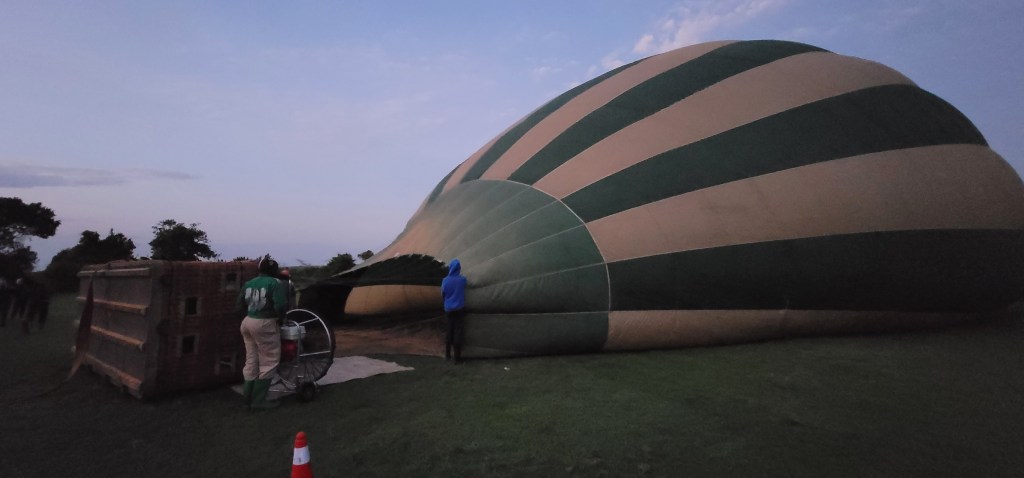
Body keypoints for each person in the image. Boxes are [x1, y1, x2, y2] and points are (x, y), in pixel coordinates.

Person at [236, 255, 288, 409]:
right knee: (269, 360)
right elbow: (280, 305)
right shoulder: (274, 283)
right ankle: (259, 401)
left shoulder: (249, 283)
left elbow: (239, 305)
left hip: (247, 322)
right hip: (265, 323)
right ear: (274, 271)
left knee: (251, 360)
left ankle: (247, 399)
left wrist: (248, 316)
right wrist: (281, 319)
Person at [441, 259, 467, 363]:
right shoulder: (462, 280)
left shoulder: (445, 280)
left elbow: (443, 294)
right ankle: (457, 358)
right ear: (458, 269)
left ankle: (447, 355)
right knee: (457, 332)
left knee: (449, 330)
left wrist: (446, 303)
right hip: (459, 309)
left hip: (448, 309)